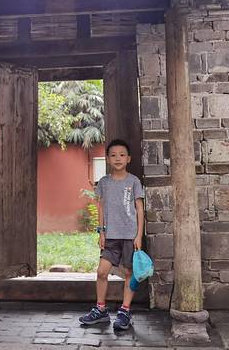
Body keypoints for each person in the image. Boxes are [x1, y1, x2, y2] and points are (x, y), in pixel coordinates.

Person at [79, 138, 145, 331]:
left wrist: (138, 236)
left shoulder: (134, 182)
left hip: (130, 236)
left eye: (122, 155)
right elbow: (100, 207)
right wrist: (101, 232)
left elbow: (140, 209)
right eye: (113, 155)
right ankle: (100, 309)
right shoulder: (104, 183)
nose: (118, 158)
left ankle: (125, 311)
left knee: (129, 273)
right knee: (101, 272)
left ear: (128, 158)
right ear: (107, 159)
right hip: (111, 237)